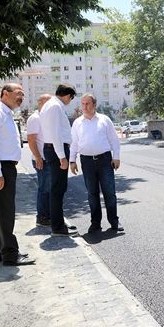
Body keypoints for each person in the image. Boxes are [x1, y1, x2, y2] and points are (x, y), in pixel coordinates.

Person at [0, 83, 35, 266]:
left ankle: (2, 252)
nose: (21, 97)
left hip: (6, 167)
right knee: (6, 212)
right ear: (5, 94)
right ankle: (11, 254)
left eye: (23, 94)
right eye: (19, 93)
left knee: (1, 211)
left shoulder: (6, 114)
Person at [69, 94, 124, 234]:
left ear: (95, 105)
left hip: (105, 160)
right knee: (92, 193)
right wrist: (72, 160)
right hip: (86, 161)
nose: (85, 107)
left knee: (109, 192)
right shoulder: (77, 123)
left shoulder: (104, 120)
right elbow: (74, 144)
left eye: (87, 103)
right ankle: (95, 223)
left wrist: (116, 157)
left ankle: (114, 221)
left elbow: (114, 140)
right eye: (83, 104)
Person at [40, 84, 78, 236]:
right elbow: (55, 134)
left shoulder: (50, 105)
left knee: (57, 189)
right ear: (68, 95)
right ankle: (58, 227)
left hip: (53, 149)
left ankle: (59, 224)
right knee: (58, 190)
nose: (70, 101)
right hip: (57, 151)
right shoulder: (55, 106)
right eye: (71, 98)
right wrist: (62, 156)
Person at [26, 93, 52, 227]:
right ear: (40, 103)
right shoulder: (35, 118)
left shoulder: (45, 117)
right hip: (41, 159)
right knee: (44, 189)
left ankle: (48, 215)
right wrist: (38, 157)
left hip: (48, 159)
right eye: (48, 102)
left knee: (49, 189)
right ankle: (42, 217)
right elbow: (31, 140)